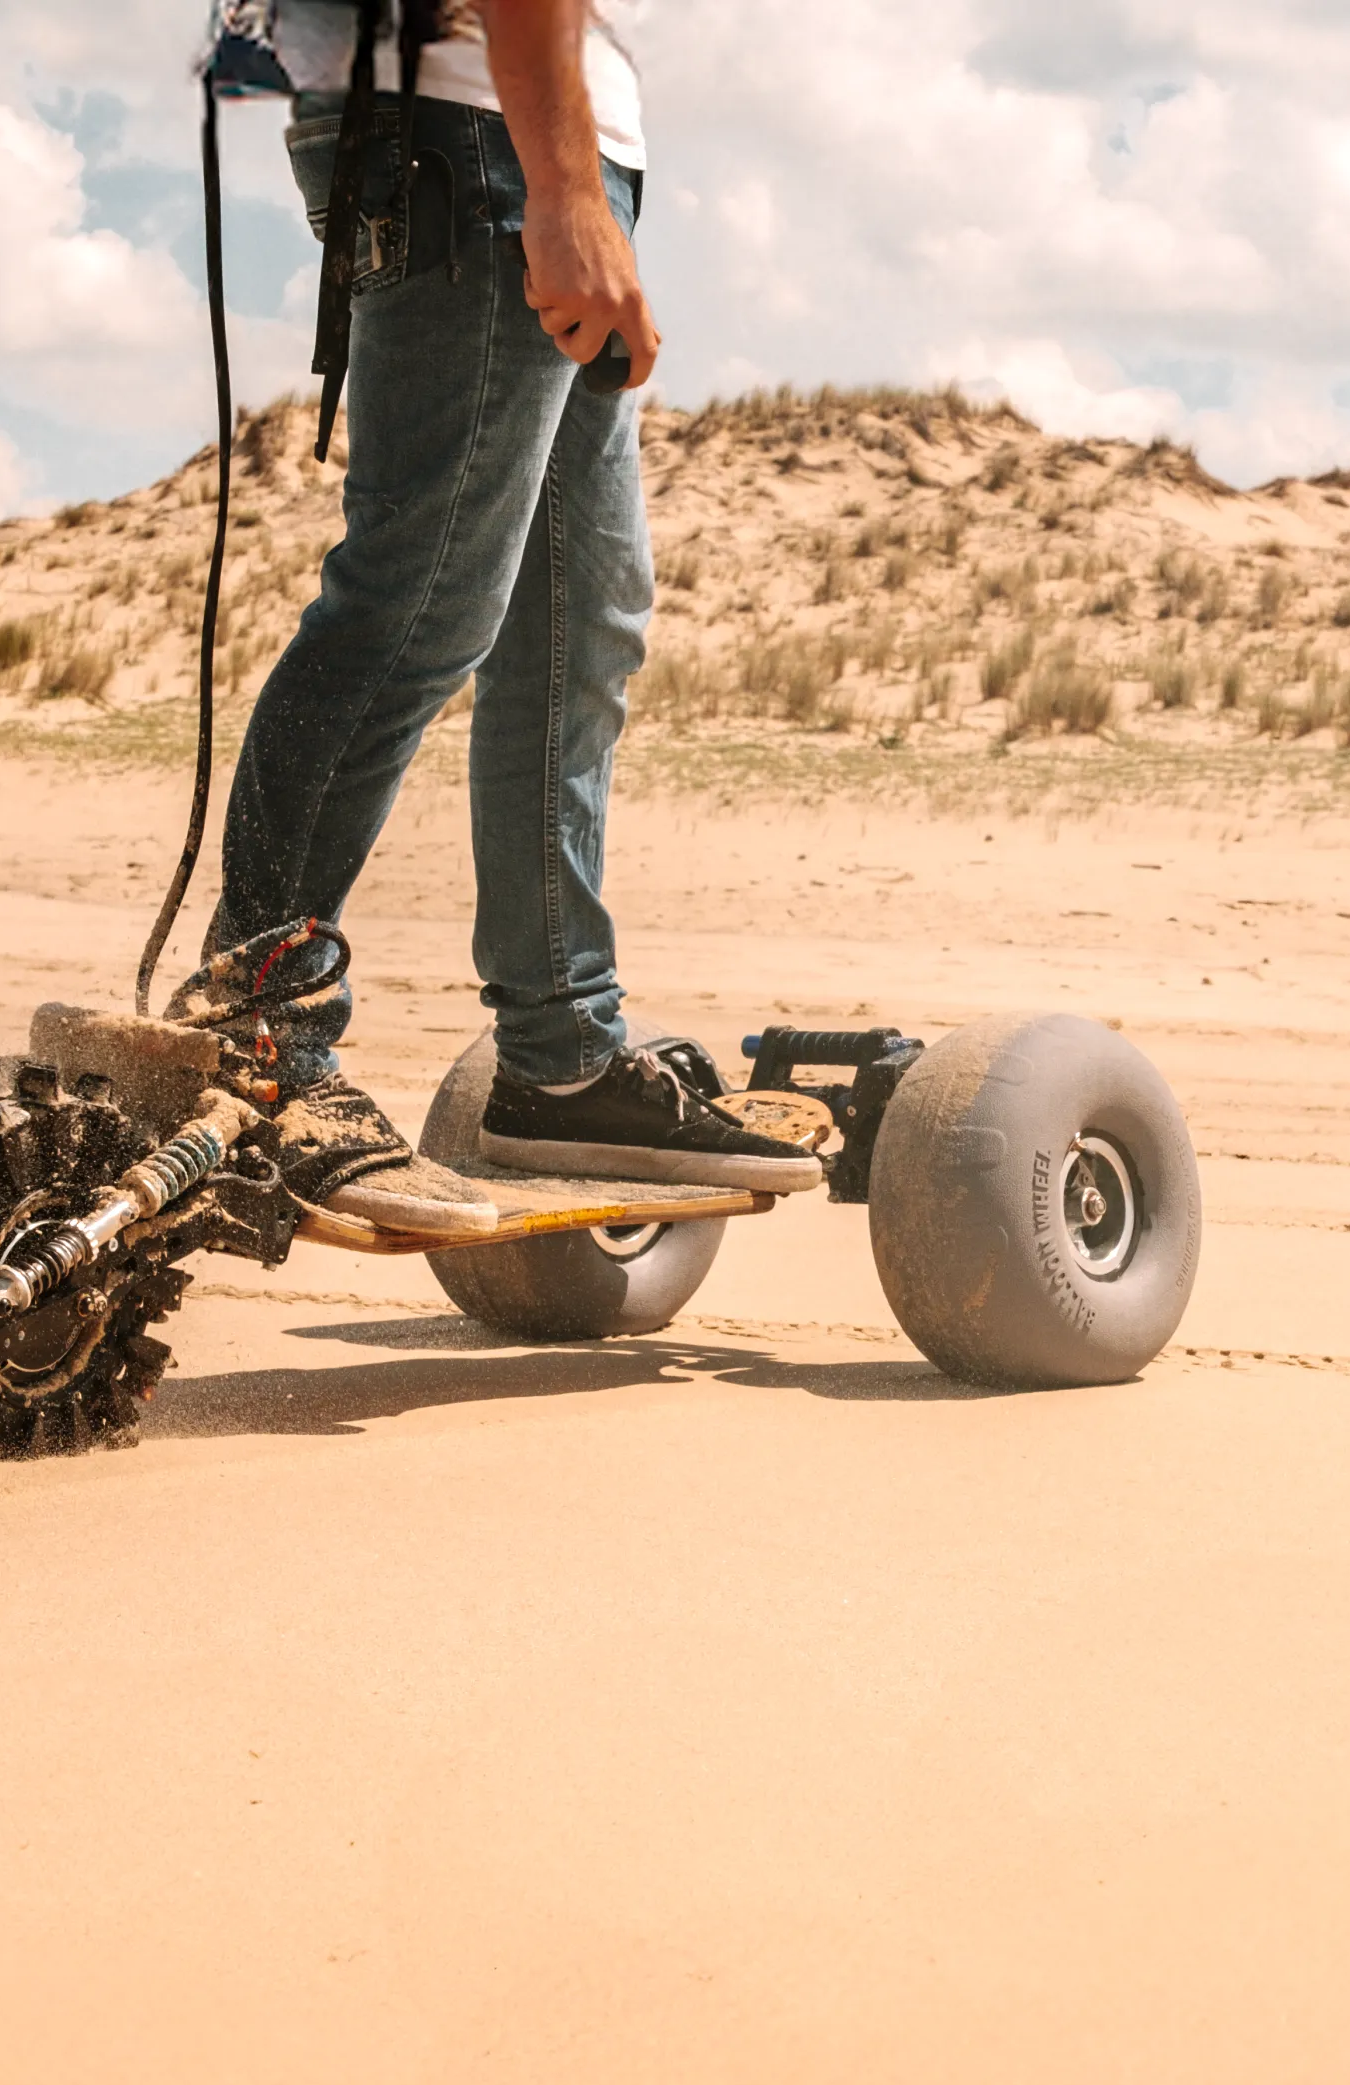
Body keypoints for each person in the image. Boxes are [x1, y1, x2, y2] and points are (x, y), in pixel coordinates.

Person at [170, 0, 821, 1228]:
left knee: (579, 620)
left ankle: (563, 1055)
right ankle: (253, 1031)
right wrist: (565, 193)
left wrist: (579, 177)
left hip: (517, 135)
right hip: (479, 139)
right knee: (423, 599)